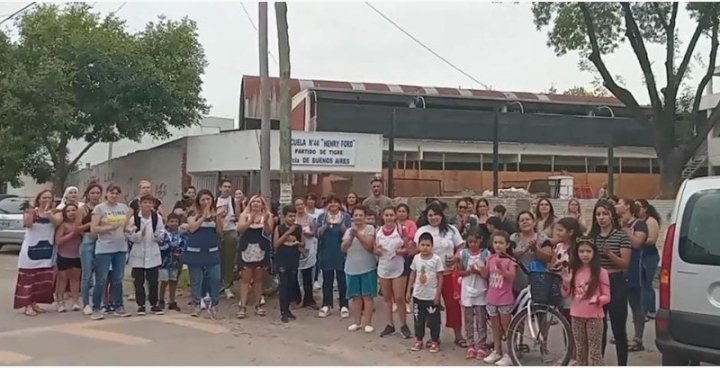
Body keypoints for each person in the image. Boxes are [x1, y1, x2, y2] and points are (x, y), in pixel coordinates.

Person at [414, 202, 466, 348]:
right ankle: (434, 337)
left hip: (449, 273)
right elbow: (417, 250)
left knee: (453, 305)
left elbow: (461, 247)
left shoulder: (451, 230)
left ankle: (458, 335)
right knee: (430, 306)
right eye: (430, 215)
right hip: (429, 277)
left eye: (436, 214)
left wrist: (456, 257)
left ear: (441, 215)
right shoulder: (421, 231)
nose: (433, 218)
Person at [589, 200, 631, 366]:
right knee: (599, 328)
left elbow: (625, 264)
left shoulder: (621, 236)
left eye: (605, 214)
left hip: (616, 282)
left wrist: (609, 254)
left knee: (618, 328)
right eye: (598, 214)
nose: (602, 218)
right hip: (597, 283)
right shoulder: (592, 236)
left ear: (612, 215)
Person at [562, 237, 611, 366]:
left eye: (588, 251)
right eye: (582, 251)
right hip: (576, 315)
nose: (585, 254)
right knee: (580, 351)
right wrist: (566, 282)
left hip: (594, 317)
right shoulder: (573, 271)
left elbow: (607, 296)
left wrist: (598, 299)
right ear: (577, 253)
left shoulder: (601, 272)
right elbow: (566, 294)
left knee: (595, 352)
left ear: (594, 253)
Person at [14, 190, 61, 316]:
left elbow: (57, 223)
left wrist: (49, 214)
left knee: (41, 278)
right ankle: (27, 305)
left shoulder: (56, 212)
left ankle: (34, 303)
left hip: (46, 250)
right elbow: (28, 224)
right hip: (30, 249)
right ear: (39, 199)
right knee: (29, 278)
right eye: (44, 197)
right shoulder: (32, 211)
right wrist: (30, 211)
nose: (47, 200)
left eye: (49, 198)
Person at [90, 184, 131, 320]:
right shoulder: (100, 208)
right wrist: (110, 227)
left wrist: (130, 229)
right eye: (111, 193)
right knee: (101, 279)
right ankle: (96, 307)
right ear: (106, 194)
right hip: (104, 248)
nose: (114, 195)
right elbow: (94, 229)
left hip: (120, 248)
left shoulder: (123, 208)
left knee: (118, 279)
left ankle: (118, 305)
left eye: (116, 193)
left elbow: (125, 227)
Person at [184, 189, 225, 318]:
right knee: (196, 279)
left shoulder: (216, 213)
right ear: (198, 201)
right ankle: (197, 303)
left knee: (215, 278)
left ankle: (214, 305)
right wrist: (203, 216)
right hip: (195, 250)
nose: (206, 202)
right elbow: (192, 228)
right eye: (203, 200)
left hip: (212, 250)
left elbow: (220, 232)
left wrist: (217, 218)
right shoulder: (192, 212)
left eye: (208, 199)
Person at [615, 198, 648, 352]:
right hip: (619, 268)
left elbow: (636, 243)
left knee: (635, 303)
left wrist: (626, 230)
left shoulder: (639, 224)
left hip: (634, 268)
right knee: (619, 304)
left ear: (627, 206)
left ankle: (638, 338)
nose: (617, 206)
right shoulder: (617, 223)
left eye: (619, 203)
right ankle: (620, 334)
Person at [126, 194, 166, 315]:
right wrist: (139, 235)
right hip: (138, 253)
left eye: (150, 203)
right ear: (140, 204)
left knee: (153, 281)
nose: (147, 205)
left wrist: (158, 236)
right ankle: (141, 304)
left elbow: (161, 231)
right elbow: (129, 236)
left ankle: (154, 304)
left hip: (153, 252)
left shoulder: (156, 217)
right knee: (139, 281)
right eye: (145, 202)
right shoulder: (134, 219)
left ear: (153, 205)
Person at [376, 206, 412, 339]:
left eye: (391, 215)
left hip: (398, 267)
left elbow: (407, 249)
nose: (389, 217)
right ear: (383, 216)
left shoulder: (401, 230)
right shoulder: (378, 232)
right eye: (387, 215)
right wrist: (378, 250)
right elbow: (375, 249)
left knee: (399, 298)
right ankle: (389, 324)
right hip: (384, 267)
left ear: (395, 216)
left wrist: (398, 252)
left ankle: (403, 325)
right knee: (386, 298)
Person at [236, 194, 274, 319]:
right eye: (254, 201)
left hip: (260, 249)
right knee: (245, 278)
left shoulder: (267, 216)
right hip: (247, 248)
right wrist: (250, 220)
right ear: (250, 204)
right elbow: (240, 229)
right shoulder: (244, 215)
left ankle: (258, 305)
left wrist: (267, 221)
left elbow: (269, 232)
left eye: (259, 202)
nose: (256, 204)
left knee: (258, 279)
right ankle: (242, 306)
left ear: (262, 204)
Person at [482, 231, 516, 366]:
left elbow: (512, 277)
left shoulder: (510, 261)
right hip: (491, 297)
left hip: (505, 299)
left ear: (507, 245)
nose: (498, 245)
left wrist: (502, 269)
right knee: (495, 326)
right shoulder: (490, 258)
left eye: (501, 243)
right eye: (496, 242)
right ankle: (497, 350)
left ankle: (510, 353)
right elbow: (486, 274)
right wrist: (480, 269)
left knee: (506, 327)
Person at [407, 232, 444, 353]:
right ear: (418, 246)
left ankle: (434, 341)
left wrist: (438, 294)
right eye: (422, 245)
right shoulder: (416, 258)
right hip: (418, 295)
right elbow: (412, 274)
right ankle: (419, 340)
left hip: (431, 296)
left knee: (434, 321)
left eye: (428, 245)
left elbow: (440, 277)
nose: (425, 247)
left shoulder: (436, 259)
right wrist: (408, 290)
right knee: (418, 320)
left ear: (432, 246)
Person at [342, 206, 378, 333]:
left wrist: (358, 235)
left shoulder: (370, 229)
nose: (358, 218)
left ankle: (367, 323)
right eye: (355, 215)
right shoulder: (348, 231)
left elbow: (369, 246)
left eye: (360, 215)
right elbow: (343, 248)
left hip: (367, 267)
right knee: (356, 297)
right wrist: (351, 237)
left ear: (364, 216)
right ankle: (357, 322)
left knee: (367, 296)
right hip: (351, 267)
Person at [316, 195, 352, 318]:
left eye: (335, 202)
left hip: (341, 251)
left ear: (339, 204)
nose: (333, 205)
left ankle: (344, 305)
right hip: (326, 251)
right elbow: (318, 233)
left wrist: (342, 227)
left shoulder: (345, 216)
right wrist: (326, 225)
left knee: (342, 280)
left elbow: (349, 233)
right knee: (327, 280)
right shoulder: (322, 217)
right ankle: (327, 304)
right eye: (330, 203)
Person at [457, 233, 490, 359]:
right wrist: (469, 271)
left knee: (481, 319)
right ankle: (470, 344)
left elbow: (487, 274)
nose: (472, 244)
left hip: (481, 289)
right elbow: (459, 271)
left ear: (480, 241)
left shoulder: (486, 254)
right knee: (468, 318)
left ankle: (481, 345)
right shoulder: (463, 254)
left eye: (475, 242)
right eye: (470, 242)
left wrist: (479, 271)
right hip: (467, 289)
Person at [273, 205, 304, 323]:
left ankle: (288, 309)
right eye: (290, 216)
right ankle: (283, 311)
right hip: (282, 259)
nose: (292, 218)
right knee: (283, 285)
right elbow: (276, 245)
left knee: (291, 284)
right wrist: (287, 234)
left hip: (294, 258)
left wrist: (297, 243)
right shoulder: (279, 228)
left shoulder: (298, 228)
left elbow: (303, 243)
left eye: (294, 216)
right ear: (284, 216)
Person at [77, 183, 103, 315]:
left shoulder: (103, 208)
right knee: (87, 275)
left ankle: (98, 302)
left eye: (98, 193)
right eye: (92, 193)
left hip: (102, 241)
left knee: (100, 275)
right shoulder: (83, 209)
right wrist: (91, 223)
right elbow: (77, 228)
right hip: (87, 240)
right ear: (88, 194)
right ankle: (86, 303)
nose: (95, 195)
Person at [551, 217, 582, 322]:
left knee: (573, 317)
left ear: (570, 232)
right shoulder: (559, 247)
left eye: (561, 230)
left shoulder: (578, 248)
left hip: (575, 287)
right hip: (561, 285)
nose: (557, 233)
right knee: (564, 316)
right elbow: (552, 263)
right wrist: (555, 266)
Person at [54, 203, 83, 312]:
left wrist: (80, 231)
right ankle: (60, 302)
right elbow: (58, 241)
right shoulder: (63, 225)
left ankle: (75, 301)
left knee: (75, 280)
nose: (71, 213)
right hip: (64, 256)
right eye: (69, 211)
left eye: (74, 210)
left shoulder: (80, 224)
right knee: (62, 280)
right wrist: (72, 234)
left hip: (77, 256)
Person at [635, 199, 660, 320]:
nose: (636, 209)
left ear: (645, 208)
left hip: (649, 255)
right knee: (644, 284)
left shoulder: (651, 221)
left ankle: (647, 311)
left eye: (638, 206)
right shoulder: (639, 221)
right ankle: (649, 310)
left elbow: (652, 239)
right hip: (641, 254)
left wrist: (639, 240)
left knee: (646, 284)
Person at [293, 197, 318, 309]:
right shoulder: (293, 219)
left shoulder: (311, 218)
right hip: (295, 248)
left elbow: (314, 232)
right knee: (294, 275)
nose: (300, 207)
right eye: (297, 205)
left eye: (301, 204)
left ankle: (309, 299)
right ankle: (297, 298)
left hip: (309, 246)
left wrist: (308, 233)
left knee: (307, 274)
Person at [216, 179, 239, 299]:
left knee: (229, 261)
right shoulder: (215, 201)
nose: (227, 189)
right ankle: (217, 285)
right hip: (217, 232)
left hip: (231, 231)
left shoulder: (234, 201)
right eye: (225, 186)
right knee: (217, 260)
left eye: (229, 186)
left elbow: (239, 217)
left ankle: (227, 285)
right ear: (220, 188)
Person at [159, 213, 185, 311]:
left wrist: (181, 253)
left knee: (173, 281)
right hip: (164, 262)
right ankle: (161, 300)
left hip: (175, 262)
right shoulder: (163, 233)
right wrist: (169, 246)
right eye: (172, 221)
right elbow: (161, 246)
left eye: (176, 221)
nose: (174, 224)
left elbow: (183, 245)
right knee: (164, 281)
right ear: (167, 222)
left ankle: (172, 301)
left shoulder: (180, 234)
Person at [397, 203, 417, 315]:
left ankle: (406, 302)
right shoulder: (394, 224)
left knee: (408, 277)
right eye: (399, 211)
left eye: (403, 211)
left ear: (407, 213)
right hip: (396, 254)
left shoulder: (411, 224)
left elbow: (412, 236)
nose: (401, 213)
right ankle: (396, 301)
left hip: (408, 254)